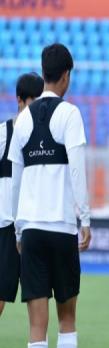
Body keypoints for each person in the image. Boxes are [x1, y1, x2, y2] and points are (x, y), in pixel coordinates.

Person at [9, 43, 91, 348]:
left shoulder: (23, 120)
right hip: (61, 228)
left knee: (36, 324)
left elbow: (15, 178)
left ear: (43, 73)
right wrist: (85, 218)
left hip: (32, 230)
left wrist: (17, 226)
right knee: (67, 317)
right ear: (66, 75)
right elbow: (77, 168)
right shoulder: (70, 114)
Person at [0, 72, 43, 317]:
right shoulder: (4, 133)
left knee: (37, 297)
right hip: (6, 227)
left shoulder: (43, 138)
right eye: (32, 103)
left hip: (33, 225)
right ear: (19, 100)